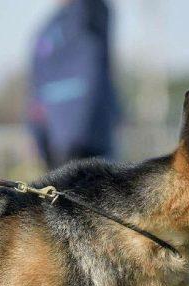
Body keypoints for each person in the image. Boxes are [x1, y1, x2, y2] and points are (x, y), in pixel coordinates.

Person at [27, 0, 121, 168]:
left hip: (92, 140)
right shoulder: (46, 30)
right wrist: (36, 133)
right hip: (56, 143)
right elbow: (37, 88)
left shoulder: (90, 12)